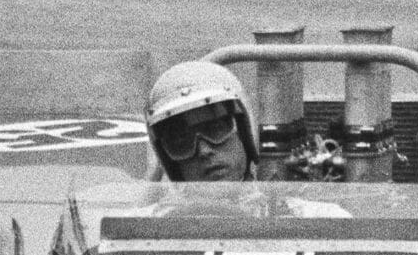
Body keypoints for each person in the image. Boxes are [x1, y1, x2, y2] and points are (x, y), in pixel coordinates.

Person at [141, 61, 349, 218]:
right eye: (181, 142)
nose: (203, 151)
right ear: (169, 160)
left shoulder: (316, 218)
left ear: (244, 133)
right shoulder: (141, 229)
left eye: (215, 129)